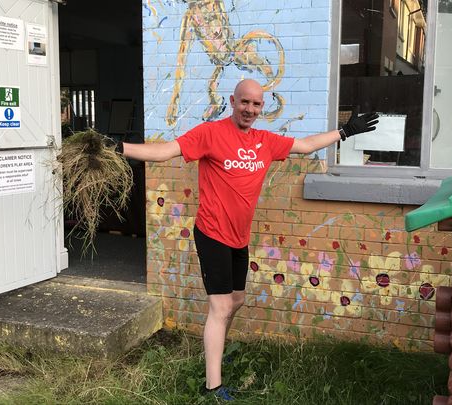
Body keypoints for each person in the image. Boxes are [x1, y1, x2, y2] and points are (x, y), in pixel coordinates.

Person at [118, 79, 378, 400]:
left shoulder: (264, 141)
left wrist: (345, 132)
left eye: (256, 104)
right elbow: (163, 151)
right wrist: (120, 148)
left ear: (261, 107)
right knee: (221, 306)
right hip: (212, 233)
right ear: (233, 101)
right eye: (245, 103)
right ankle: (212, 386)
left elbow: (306, 146)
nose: (250, 109)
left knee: (236, 301)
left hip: (239, 237)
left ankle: (216, 346)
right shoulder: (209, 134)